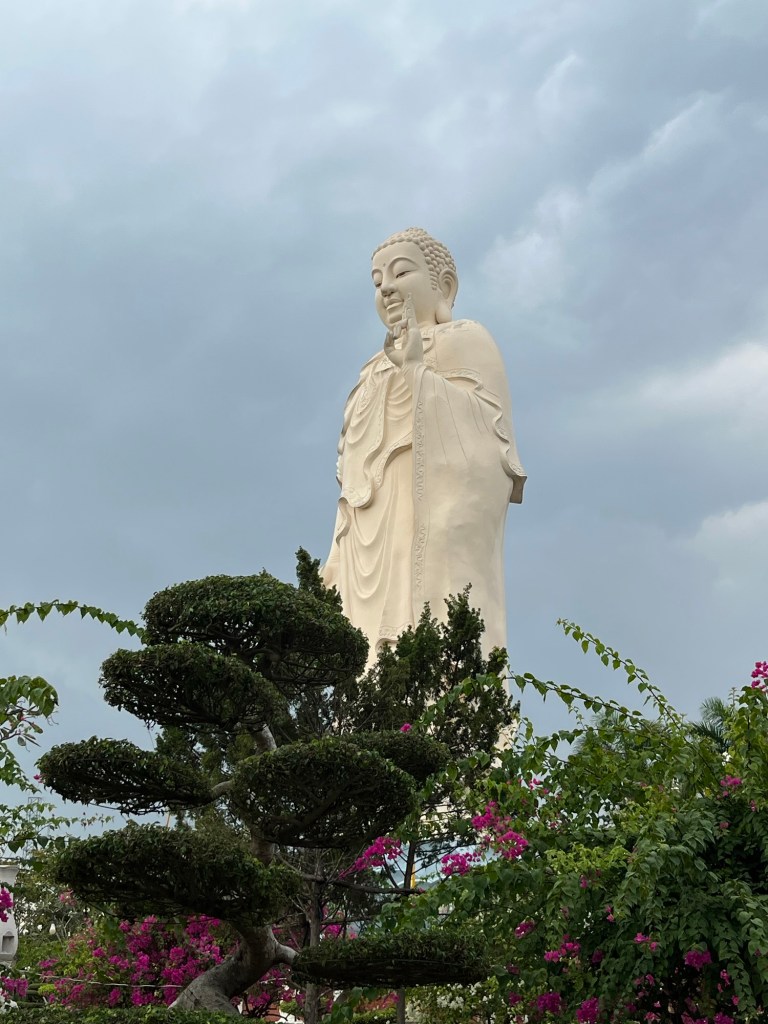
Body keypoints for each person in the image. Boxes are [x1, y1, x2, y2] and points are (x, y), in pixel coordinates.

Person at [322, 227, 525, 667]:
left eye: (400, 273)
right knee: (366, 660)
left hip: (435, 521)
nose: (386, 288)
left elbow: (491, 442)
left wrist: (417, 372)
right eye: (377, 281)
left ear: (444, 287)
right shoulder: (370, 370)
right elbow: (353, 485)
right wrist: (335, 556)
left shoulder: (466, 338)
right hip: (372, 541)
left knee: (439, 642)